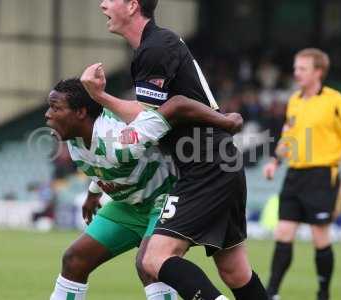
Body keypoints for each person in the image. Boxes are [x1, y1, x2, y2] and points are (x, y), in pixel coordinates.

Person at [81, 1, 268, 299]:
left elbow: (154, 118)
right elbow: (154, 113)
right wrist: (101, 96)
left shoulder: (155, 47)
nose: (102, 3)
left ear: (132, 6)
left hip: (205, 165)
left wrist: (99, 96)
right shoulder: (155, 45)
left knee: (153, 259)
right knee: (234, 269)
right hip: (218, 161)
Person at [47, 78, 242, 300]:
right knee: (75, 259)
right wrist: (93, 193)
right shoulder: (74, 137)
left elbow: (177, 105)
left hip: (163, 199)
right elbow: (100, 162)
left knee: (149, 264)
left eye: (55, 108)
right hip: (129, 206)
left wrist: (226, 121)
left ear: (80, 113)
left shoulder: (121, 140)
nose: (48, 114)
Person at [263, 48, 341, 300]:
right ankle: (271, 292)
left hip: (321, 176)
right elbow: (288, 137)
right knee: (283, 232)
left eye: (302, 68)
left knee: (320, 237)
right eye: (295, 68)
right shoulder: (294, 100)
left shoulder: (335, 100)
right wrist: (275, 160)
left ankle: (323, 293)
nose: (296, 73)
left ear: (318, 71)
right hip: (294, 175)